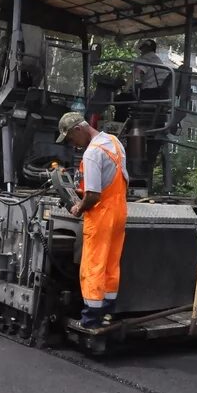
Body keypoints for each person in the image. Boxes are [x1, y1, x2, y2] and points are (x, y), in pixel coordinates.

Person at [56, 112, 129, 328]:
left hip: (100, 214)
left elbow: (93, 194)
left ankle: (90, 319)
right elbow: (124, 178)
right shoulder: (114, 142)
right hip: (119, 211)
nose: (72, 144)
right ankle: (107, 314)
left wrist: (79, 207)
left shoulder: (92, 154)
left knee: (93, 265)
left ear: (79, 129)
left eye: (70, 138)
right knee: (111, 264)